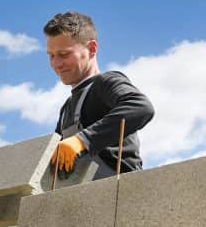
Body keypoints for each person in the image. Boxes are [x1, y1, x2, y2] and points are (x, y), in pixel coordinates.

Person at [44, 11, 154, 179]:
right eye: (51, 56)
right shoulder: (66, 109)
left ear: (92, 49)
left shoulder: (106, 83)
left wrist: (82, 141)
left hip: (121, 192)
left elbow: (141, 107)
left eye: (64, 54)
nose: (56, 64)